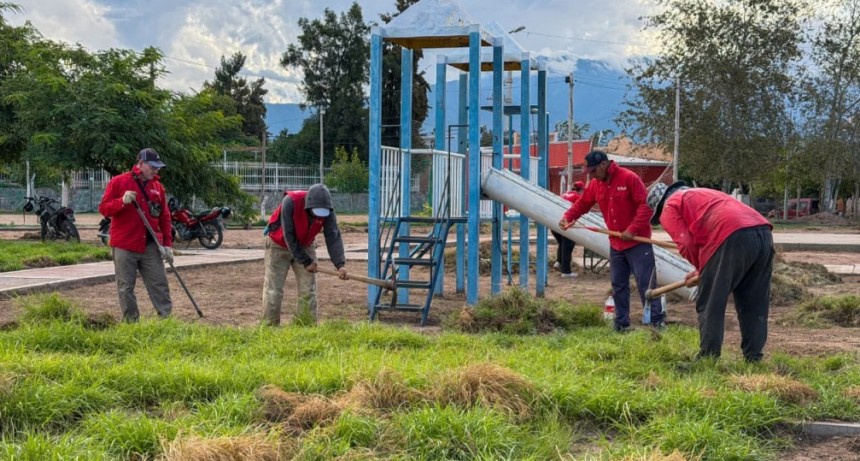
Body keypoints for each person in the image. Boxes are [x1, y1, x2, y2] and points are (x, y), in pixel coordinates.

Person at [648, 181, 774, 362]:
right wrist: (702, 269)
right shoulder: (703, 194)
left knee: (710, 302)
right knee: (754, 302)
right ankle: (754, 357)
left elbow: (686, 243)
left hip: (730, 235)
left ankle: (708, 358)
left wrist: (702, 270)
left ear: (658, 207)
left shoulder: (669, 205)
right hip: (763, 233)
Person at [558, 150, 664, 332]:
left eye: (593, 171)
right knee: (618, 285)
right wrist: (568, 216)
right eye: (589, 172)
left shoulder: (628, 178)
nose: (591, 175)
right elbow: (583, 204)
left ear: (604, 164)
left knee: (646, 283)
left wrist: (632, 229)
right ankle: (622, 324)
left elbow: (646, 206)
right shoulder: (595, 185)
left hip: (638, 242)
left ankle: (656, 322)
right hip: (616, 243)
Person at [99, 148, 173, 322]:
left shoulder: (157, 187)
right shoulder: (119, 182)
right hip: (125, 245)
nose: (156, 170)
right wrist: (122, 202)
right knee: (125, 287)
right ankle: (131, 322)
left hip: (151, 245)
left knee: (159, 284)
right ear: (140, 163)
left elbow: (164, 216)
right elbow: (104, 209)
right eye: (152, 166)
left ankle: (166, 320)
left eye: (157, 167)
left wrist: (167, 244)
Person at [262, 184, 347, 325]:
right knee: (274, 289)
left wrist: (340, 264)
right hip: (279, 244)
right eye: (315, 212)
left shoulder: (328, 211)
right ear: (308, 206)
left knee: (308, 288)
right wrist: (306, 261)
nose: (318, 216)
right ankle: (269, 326)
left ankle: (306, 325)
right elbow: (289, 236)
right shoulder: (290, 202)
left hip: (306, 244)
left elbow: (333, 236)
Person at [551, 181, 585, 278]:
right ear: (581, 190)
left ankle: (559, 262)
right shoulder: (578, 197)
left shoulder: (565, 194)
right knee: (568, 245)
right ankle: (566, 271)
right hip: (566, 224)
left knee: (562, 243)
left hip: (554, 223)